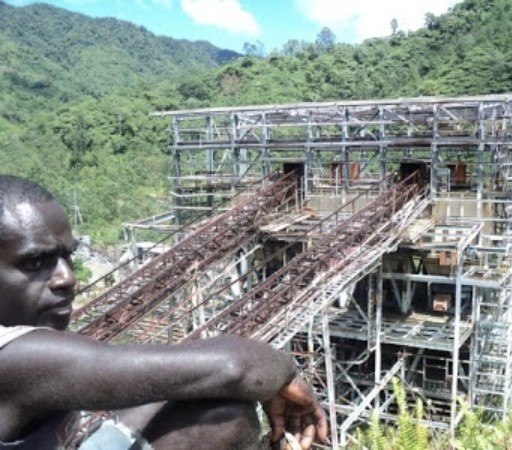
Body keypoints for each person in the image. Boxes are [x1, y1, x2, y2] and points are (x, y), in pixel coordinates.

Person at [0, 174, 328, 450]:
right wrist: (286, 373)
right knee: (226, 411)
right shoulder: (16, 359)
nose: (67, 277)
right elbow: (240, 368)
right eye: (35, 262)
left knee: (210, 407)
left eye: (67, 257)